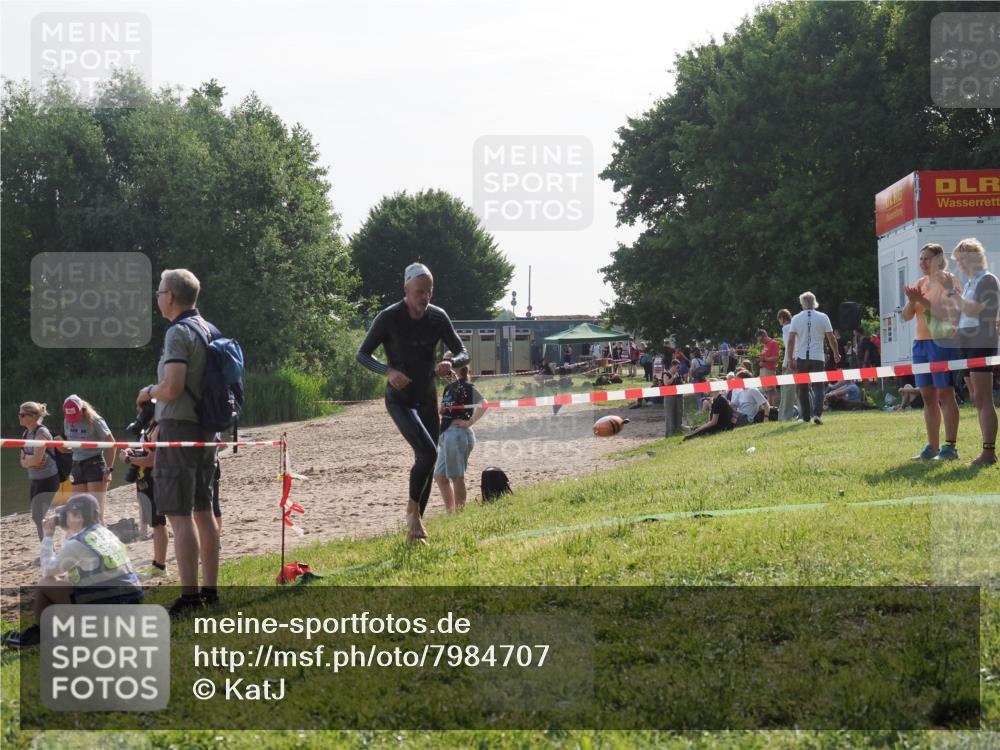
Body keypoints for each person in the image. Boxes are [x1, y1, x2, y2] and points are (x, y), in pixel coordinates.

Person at [357, 263, 469, 544]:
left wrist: (450, 362)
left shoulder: (438, 317)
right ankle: (413, 512)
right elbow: (362, 354)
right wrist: (388, 371)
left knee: (428, 462)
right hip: (400, 400)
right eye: (420, 291)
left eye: (429, 290)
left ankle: (414, 530)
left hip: (426, 397)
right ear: (406, 289)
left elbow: (463, 352)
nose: (425, 296)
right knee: (428, 453)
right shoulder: (389, 318)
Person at [137, 268, 221, 617]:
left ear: (170, 296)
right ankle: (210, 591)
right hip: (206, 431)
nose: (157, 298)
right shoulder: (209, 329)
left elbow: (172, 388)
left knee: (178, 514)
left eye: (159, 292)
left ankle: (189, 598)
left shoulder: (178, 332)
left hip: (180, 429)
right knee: (204, 511)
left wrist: (148, 392)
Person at [7, 494, 143, 648]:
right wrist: (69, 530)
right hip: (132, 605)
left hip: (109, 610)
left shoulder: (78, 542)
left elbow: (47, 569)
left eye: (68, 514)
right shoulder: (105, 533)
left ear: (78, 516)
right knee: (68, 579)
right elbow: (74, 571)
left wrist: (48, 536)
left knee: (46, 583)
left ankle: (40, 633)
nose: (64, 518)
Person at [901, 243, 962, 461]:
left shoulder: (948, 280)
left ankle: (950, 447)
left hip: (942, 342)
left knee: (945, 394)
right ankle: (932, 447)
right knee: (927, 396)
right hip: (920, 344)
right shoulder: (921, 283)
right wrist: (911, 301)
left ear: (938, 259)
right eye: (921, 259)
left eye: (926, 258)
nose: (922, 263)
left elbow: (947, 313)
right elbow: (906, 316)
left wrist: (920, 300)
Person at [951, 238, 999, 466]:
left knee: (983, 397)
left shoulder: (987, 279)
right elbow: (964, 314)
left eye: (961, 259)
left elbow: (972, 310)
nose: (959, 264)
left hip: (981, 340)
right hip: (967, 340)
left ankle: (989, 452)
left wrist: (952, 294)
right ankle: (986, 450)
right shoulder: (971, 282)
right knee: (976, 398)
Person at [434, 356, 487, 513]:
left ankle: (459, 513)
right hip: (445, 434)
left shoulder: (466, 386)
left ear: (456, 366)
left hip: (457, 434)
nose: (442, 366)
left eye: (446, 362)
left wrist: (470, 422)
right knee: (440, 476)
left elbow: (484, 404)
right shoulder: (449, 388)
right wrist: (443, 410)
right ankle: (451, 512)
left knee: (456, 476)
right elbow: (446, 409)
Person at [120, 420, 168, 578]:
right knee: (155, 524)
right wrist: (133, 451)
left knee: (158, 523)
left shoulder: (159, 427)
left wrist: (129, 459)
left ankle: (160, 566)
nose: (139, 410)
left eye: (142, 408)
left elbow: (152, 459)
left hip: (154, 481)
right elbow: (147, 451)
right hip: (145, 480)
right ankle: (157, 564)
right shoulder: (151, 426)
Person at [786, 291, 841, 425]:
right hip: (818, 357)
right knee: (818, 386)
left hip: (801, 357)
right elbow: (831, 338)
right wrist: (836, 353)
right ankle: (817, 414)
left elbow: (791, 340)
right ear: (814, 302)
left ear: (802, 304)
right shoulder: (823, 317)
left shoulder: (796, 318)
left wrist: (790, 358)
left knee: (803, 388)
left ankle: (805, 417)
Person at [61, 395, 115, 523]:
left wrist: (109, 469)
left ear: (82, 409)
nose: (72, 419)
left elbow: (112, 444)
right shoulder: (67, 420)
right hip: (76, 464)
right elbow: (73, 445)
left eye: (75, 416)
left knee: (96, 512)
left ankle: (102, 535)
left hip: (94, 463)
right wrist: (63, 447)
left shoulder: (95, 420)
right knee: (80, 511)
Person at [18, 402, 60, 541]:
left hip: (48, 479)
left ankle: (48, 546)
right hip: (35, 479)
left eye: (22, 415)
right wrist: (30, 460)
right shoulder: (26, 434)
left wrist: (29, 460)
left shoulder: (41, 432)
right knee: (37, 516)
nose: (19, 417)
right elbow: (22, 462)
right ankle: (47, 545)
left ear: (32, 416)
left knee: (38, 516)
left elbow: (35, 460)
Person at [776, 309, 797, 421]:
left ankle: (785, 416)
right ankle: (807, 413)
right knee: (802, 389)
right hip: (800, 360)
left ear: (782, 318)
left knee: (787, 390)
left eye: (779, 319)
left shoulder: (786, 328)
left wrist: (786, 363)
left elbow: (789, 347)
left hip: (791, 362)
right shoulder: (795, 326)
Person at [756, 328, 780, 406]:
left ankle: (773, 408)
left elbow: (776, 358)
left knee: (771, 391)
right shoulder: (766, 344)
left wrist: (765, 359)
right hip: (764, 370)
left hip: (769, 370)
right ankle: (771, 408)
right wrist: (760, 357)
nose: (760, 342)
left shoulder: (773, 343)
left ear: (764, 336)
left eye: (761, 340)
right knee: (767, 391)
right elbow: (766, 356)